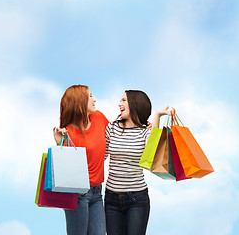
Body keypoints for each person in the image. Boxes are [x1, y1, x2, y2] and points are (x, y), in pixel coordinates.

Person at [104, 90, 172, 235]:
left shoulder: (144, 132)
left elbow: (152, 155)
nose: (119, 104)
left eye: (123, 100)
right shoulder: (111, 128)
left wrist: (157, 117)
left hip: (137, 199)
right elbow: (101, 156)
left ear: (135, 105)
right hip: (111, 199)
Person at [53, 85, 109, 235]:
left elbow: (115, 137)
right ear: (80, 102)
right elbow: (65, 170)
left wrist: (142, 126)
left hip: (97, 192)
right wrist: (60, 143)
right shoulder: (67, 133)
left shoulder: (99, 118)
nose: (94, 99)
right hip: (77, 195)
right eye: (90, 96)